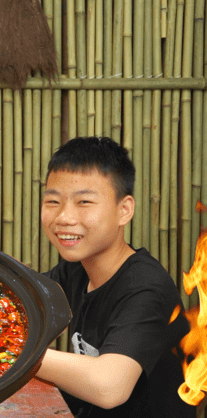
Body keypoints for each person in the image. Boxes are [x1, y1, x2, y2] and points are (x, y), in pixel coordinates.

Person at [36, 137, 194, 417]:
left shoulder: (146, 287)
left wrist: (17, 358)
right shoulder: (75, 269)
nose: (64, 217)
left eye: (84, 202)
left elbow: (110, 387)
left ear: (125, 210)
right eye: (53, 201)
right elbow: (17, 304)